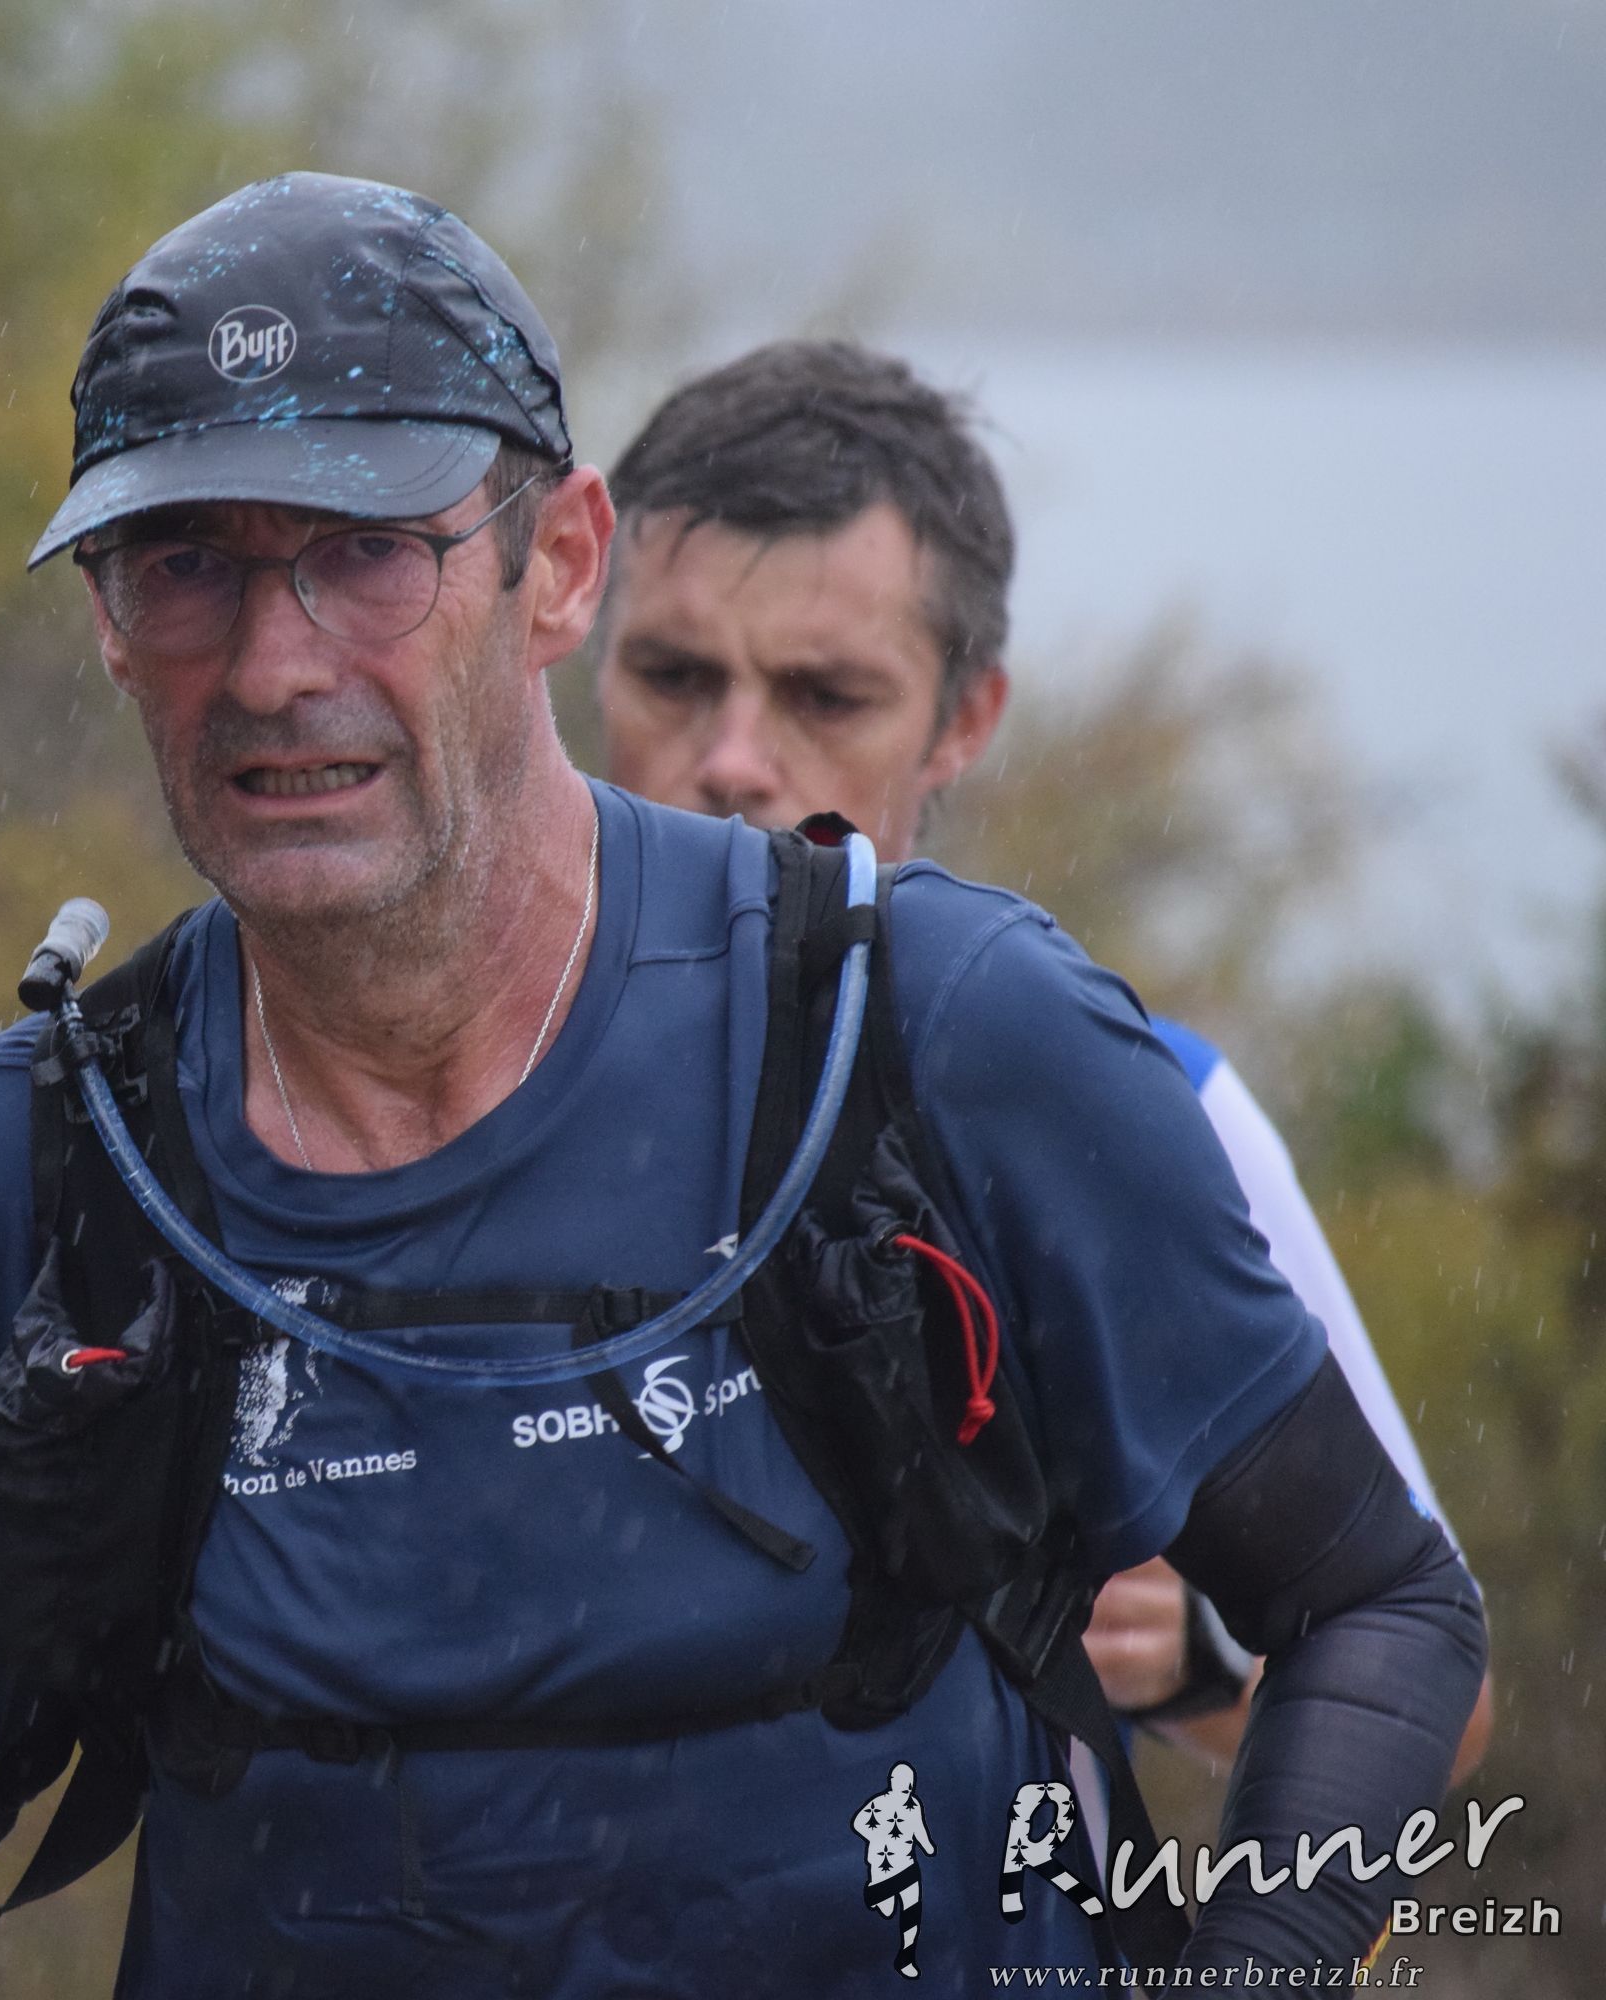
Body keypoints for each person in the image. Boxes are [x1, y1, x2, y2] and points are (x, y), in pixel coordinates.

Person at [0, 175, 1485, 1994]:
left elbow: (1381, 1609)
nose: (272, 664)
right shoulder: (27, 1189)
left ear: (557, 564)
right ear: (105, 618)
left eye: (366, 551)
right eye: (185, 568)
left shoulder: (936, 1039)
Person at [589, 338, 1494, 1779]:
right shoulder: (410, 1092)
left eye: (826, 696)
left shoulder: (1135, 1105)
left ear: (965, 720)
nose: (734, 757)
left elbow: (1436, 1689)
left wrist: (1198, 1663)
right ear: (584, 636)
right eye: (675, 675)